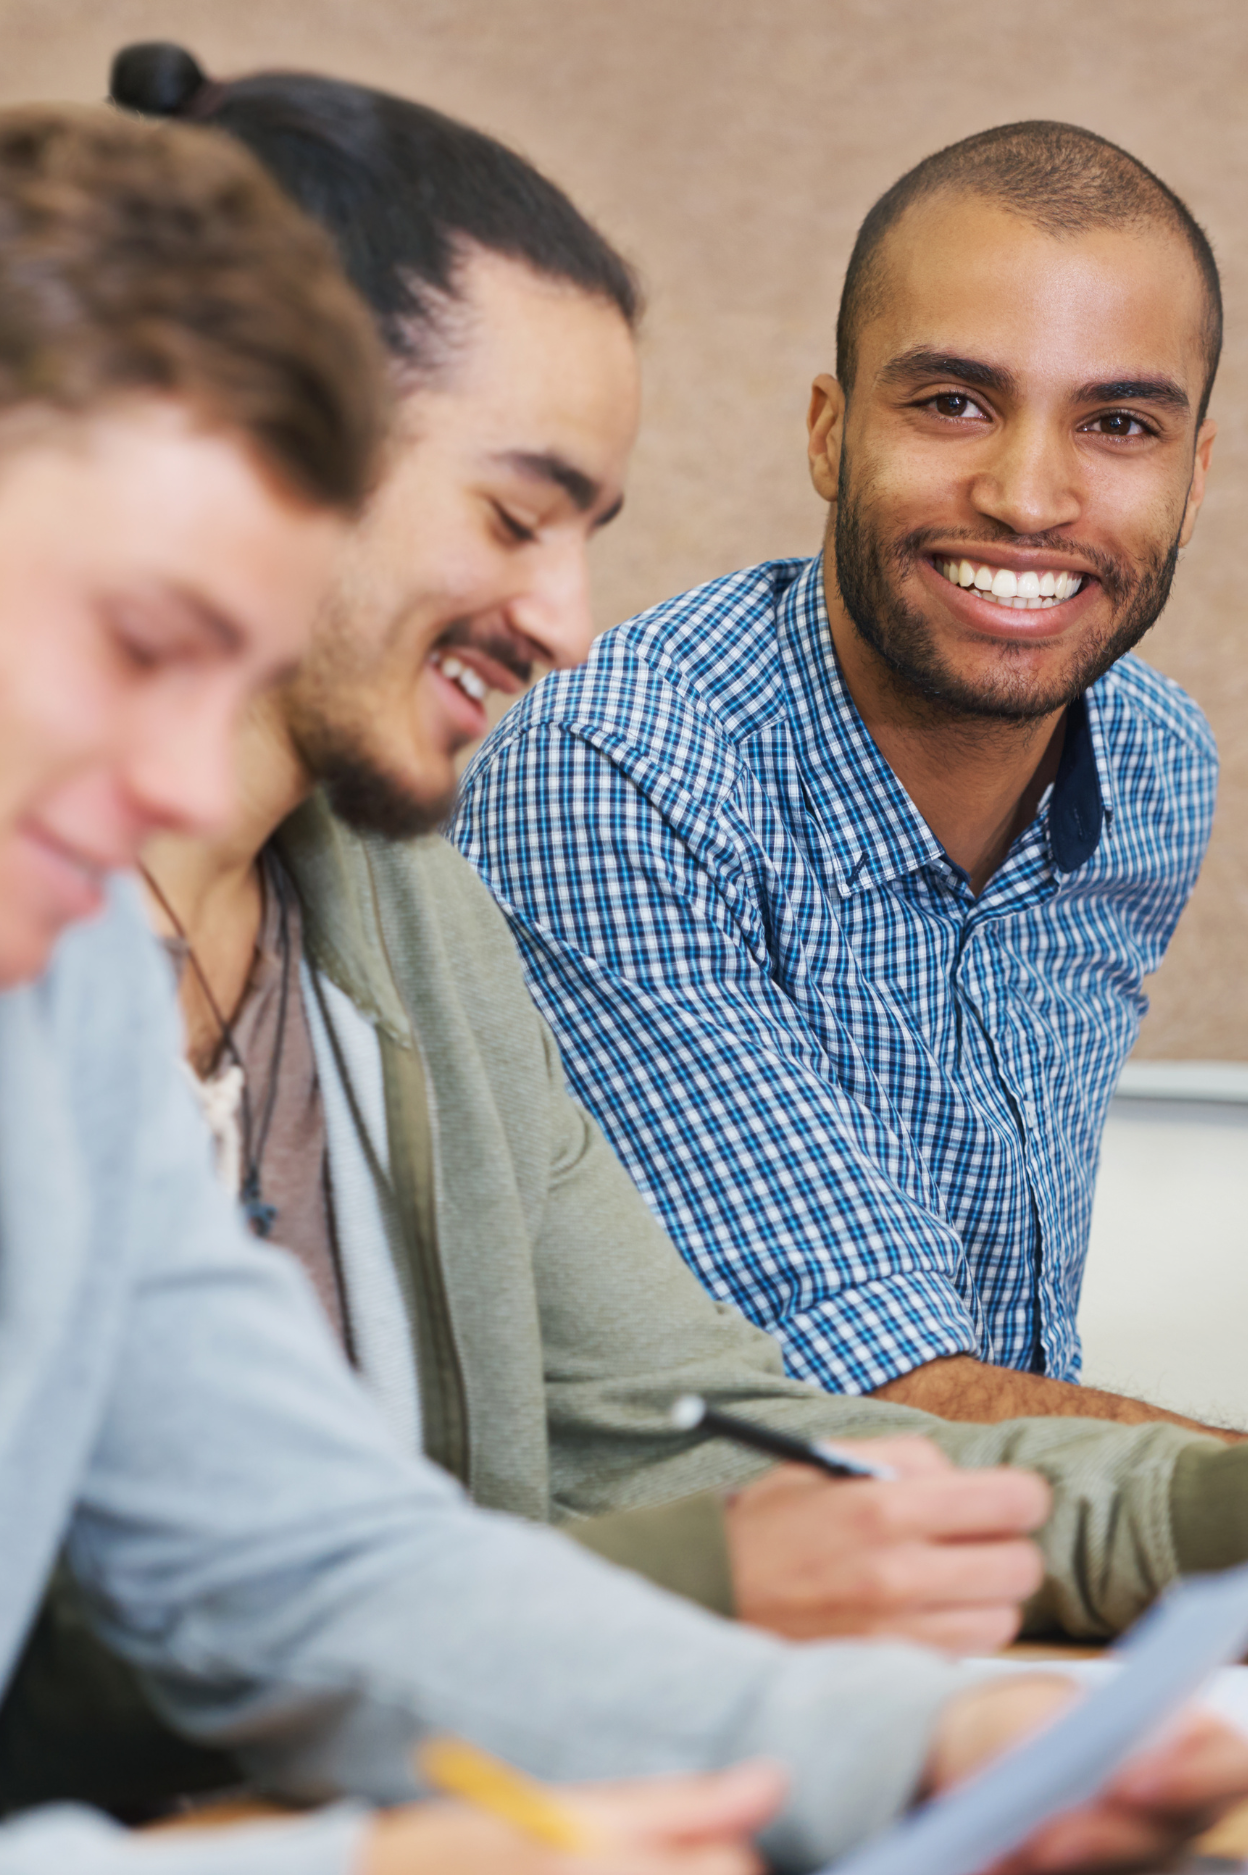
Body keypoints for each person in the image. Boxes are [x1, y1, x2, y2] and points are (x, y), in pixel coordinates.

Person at [0, 94, 1236, 1875]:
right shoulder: (605, 769)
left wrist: (927, 1740)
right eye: (143, 641)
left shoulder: (305, 926)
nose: (189, 792)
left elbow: (307, 1568)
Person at [453, 121, 1228, 1432]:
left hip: (978, 1585)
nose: (1029, 495)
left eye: (1116, 422)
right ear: (827, 435)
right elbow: (872, 1407)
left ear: (1192, 476)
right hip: (686, 1579)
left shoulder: (1151, 762)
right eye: (952, 402)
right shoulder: (617, 780)